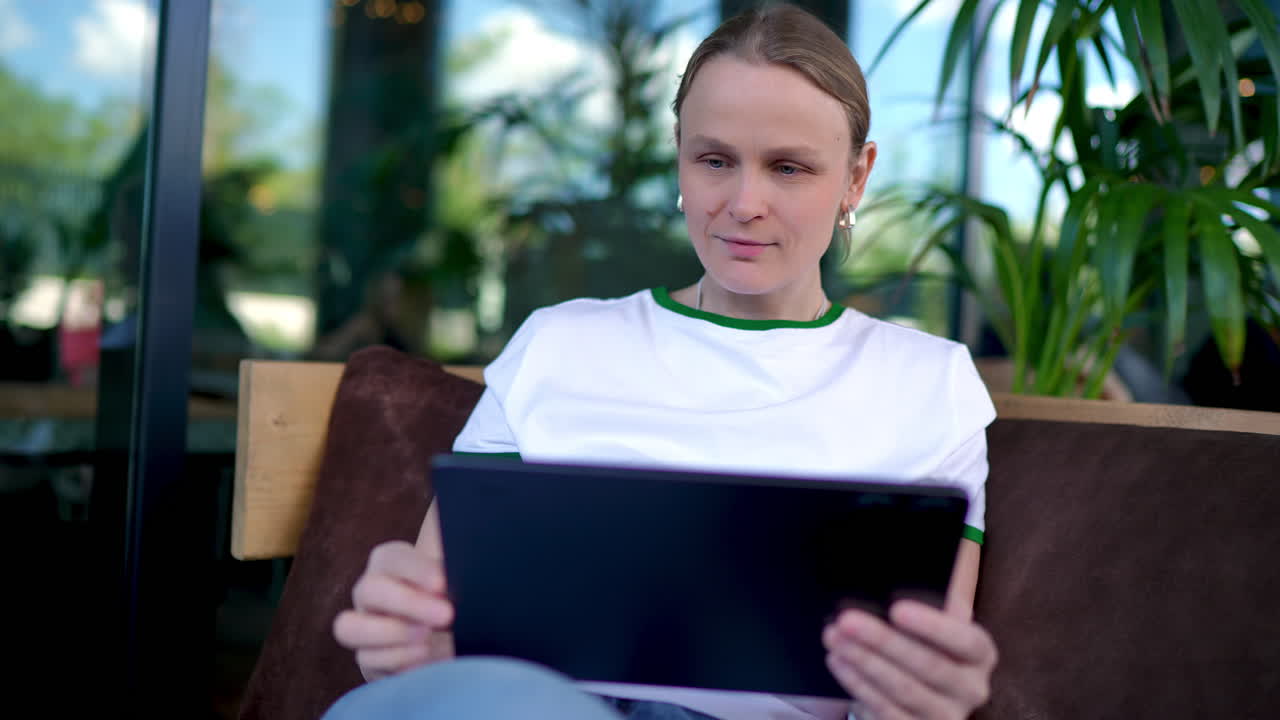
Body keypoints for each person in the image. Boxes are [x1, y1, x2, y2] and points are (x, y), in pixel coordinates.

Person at [329, 4, 999, 719]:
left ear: (856, 178)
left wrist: (926, 701)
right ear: (680, 153)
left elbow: (910, 687)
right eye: (715, 160)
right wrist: (401, 643)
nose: (745, 203)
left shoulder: (930, 383)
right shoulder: (557, 345)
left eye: (789, 168)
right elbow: (433, 636)